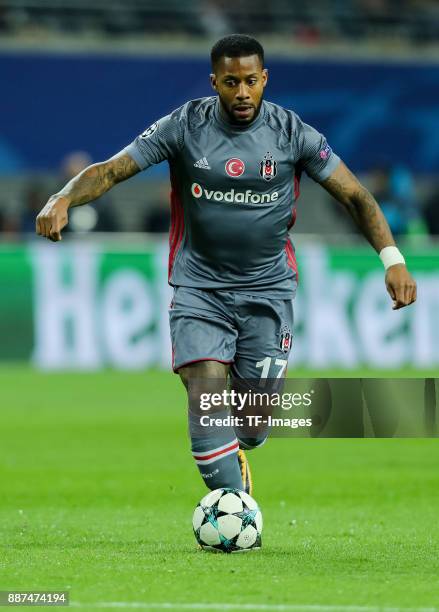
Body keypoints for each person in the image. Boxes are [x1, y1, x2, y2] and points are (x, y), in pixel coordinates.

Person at [35, 34, 416, 497]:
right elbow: (111, 169)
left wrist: (392, 259)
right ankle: (234, 509)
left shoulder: (292, 133)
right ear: (214, 81)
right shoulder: (184, 126)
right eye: (231, 82)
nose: (241, 92)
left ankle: (237, 446)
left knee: (252, 427)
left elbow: (355, 194)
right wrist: (63, 197)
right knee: (206, 397)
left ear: (265, 80)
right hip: (200, 289)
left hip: (269, 292)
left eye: (251, 81)